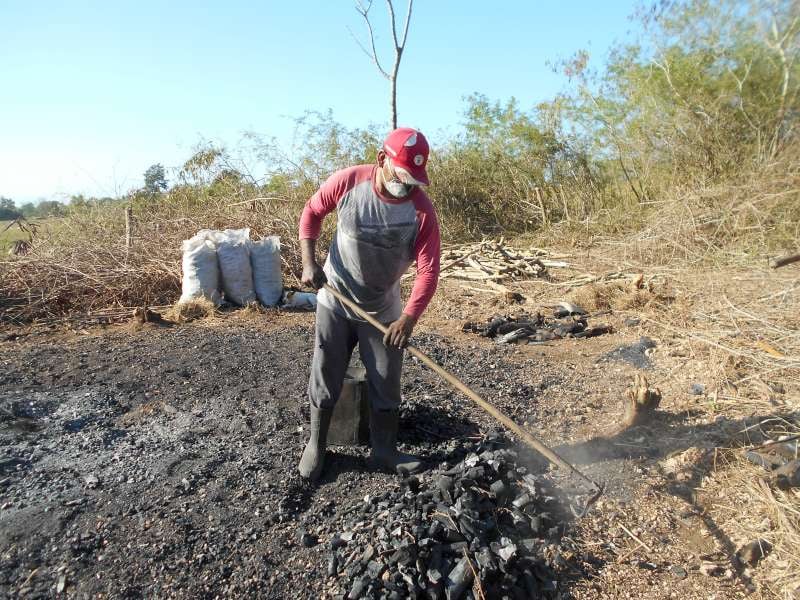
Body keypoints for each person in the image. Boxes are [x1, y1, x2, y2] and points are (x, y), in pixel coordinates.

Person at [297, 127, 441, 481]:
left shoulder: (421, 213)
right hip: (336, 297)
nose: (406, 185)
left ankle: (384, 451)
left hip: (383, 309)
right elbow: (311, 214)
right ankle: (317, 444)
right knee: (327, 370)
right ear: (382, 160)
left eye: (413, 180)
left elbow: (429, 270)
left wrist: (408, 318)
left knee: (386, 379)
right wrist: (309, 263)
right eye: (402, 175)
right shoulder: (348, 183)